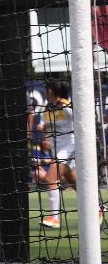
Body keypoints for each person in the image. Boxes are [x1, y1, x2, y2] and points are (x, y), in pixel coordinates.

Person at [40, 79, 75, 228]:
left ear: (49, 91)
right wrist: (45, 137)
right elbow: (47, 131)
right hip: (57, 151)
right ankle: (98, 207)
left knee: (50, 177)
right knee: (75, 182)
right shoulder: (46, 109)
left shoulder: (67, 107)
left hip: (70, 148)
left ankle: (54, 218)